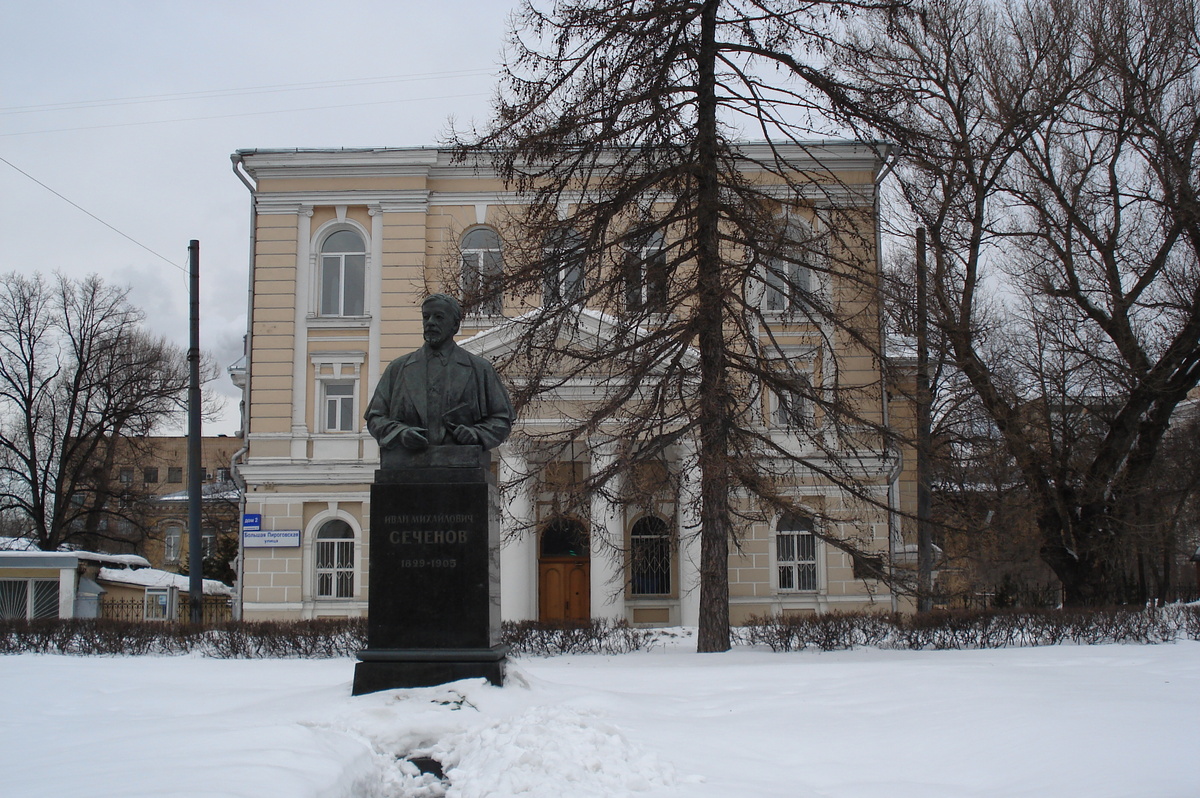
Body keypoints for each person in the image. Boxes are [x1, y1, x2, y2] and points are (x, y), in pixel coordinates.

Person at [365, 293, 513, 453]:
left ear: (455, 325)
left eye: (439, 317)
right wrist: (400, 433)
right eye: (426, 317)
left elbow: (502, 419)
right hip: (409, 463)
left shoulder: (480, 370)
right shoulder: (398, 369)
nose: (430, 322)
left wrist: (476, 434)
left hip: (462, 462)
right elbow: (376, 417)